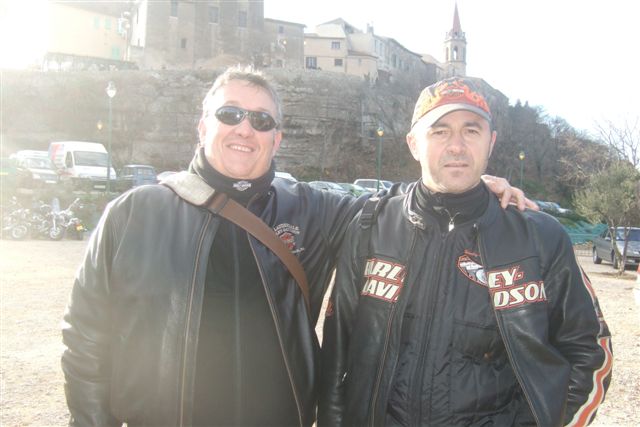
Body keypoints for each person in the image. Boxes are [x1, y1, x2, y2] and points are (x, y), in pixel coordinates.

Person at [61, 67, 532, 427]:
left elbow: (400, 205)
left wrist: (470, 185)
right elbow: (85, 338)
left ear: (277, 138)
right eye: (230, 114)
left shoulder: (311, 209)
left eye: (261, 120)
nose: (244, 128)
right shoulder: (134, 213)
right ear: (202, 127)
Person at [319, 77, 613, 427]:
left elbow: (590, 352)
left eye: (471, 131)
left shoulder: (540, 237)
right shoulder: (371, 228)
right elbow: (336, 353)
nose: (456, 146)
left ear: (491, 142)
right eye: (439, 131)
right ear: (414, 144)